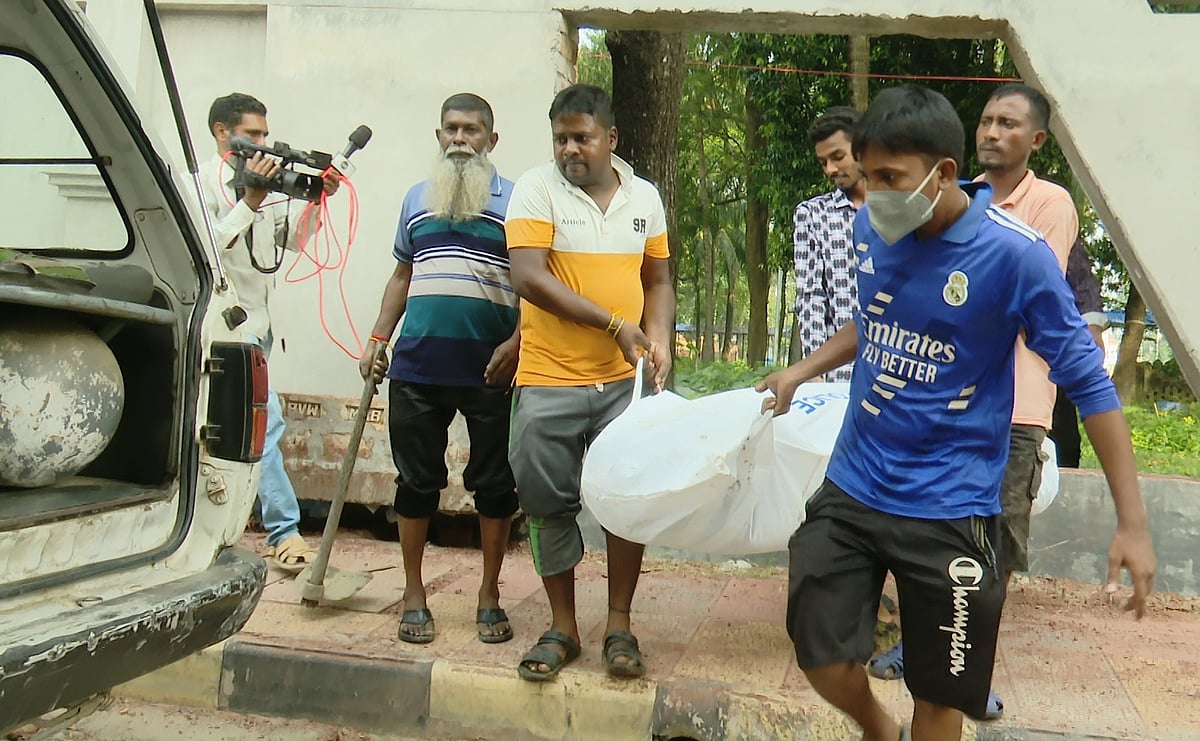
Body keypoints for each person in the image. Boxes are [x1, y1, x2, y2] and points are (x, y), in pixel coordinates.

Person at [757, 84, 1155, 741]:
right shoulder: (870, 228)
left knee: (939, 693)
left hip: (951, 506)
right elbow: (872, 319)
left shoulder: (1015, 255)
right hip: (854, 485)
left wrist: (1133, 522)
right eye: (868, 174)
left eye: (890, 178)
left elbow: (1090, 384)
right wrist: (802, 369)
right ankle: (878, 730)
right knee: (821, 653)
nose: (873, 193)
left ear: (943, 172)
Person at [866, 83, 1083, 719]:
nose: (992, 131)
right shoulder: (936, 206)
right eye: (986, 120)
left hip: (1014, 406)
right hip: (937, 400)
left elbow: (1018, 307)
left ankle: (970, 668)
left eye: (1008, 123)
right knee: (932, 530)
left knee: (992, 543)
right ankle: (919, 646)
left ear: (1035, 139)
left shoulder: (1047, 208)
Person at [503, 84, 675, 682]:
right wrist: (614, 324)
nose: (570, 149)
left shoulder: (644, 198)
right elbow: (528, 276)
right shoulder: (535, 189)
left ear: (612, 139)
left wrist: (659, 341)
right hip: (549, 378)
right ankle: (562, 627)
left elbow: (658, 279)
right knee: (548, 505)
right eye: (560, 139)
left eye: (582, 137)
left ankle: (619, 625)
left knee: (626, 501)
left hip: (623, 385)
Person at [359, 93, 521, 645]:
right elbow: (402, 277)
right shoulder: (415, 200)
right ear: (438, 135)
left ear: (490, 140)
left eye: (472, 130)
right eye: (451, 129)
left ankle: (490, 594)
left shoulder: (517, 202)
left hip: (491, 369)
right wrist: (378, 339)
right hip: (416, 367)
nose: (460, 139)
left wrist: (520, 343)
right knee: (416, 483)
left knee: (496, 485)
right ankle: (413, 593)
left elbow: (536, 287)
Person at [201, 92, 339, 573]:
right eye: (253, 135)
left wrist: (317, 199)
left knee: (235, 432)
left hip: (256, 331)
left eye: (266, 134)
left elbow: (294, 243)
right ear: (224, 132)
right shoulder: (201, 185)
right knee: (267, 424)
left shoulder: (270, 187)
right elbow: (207, 251)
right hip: (220, 327)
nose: (264, 144)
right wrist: (249, 202)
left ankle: (224, 530)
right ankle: (284, 531)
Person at [793, 106, 866, 382]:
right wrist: (814, 370)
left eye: (838, 157)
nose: (831, 169)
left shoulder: (901, 210)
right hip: (839, 377)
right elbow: (811, 296)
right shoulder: (812, 215)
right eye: (823, 162)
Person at [1054, 237, 1111, 467]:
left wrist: (1091, 326)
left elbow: (1079, 275)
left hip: (1051, 362)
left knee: (1063, 447)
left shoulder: (1052, 206)